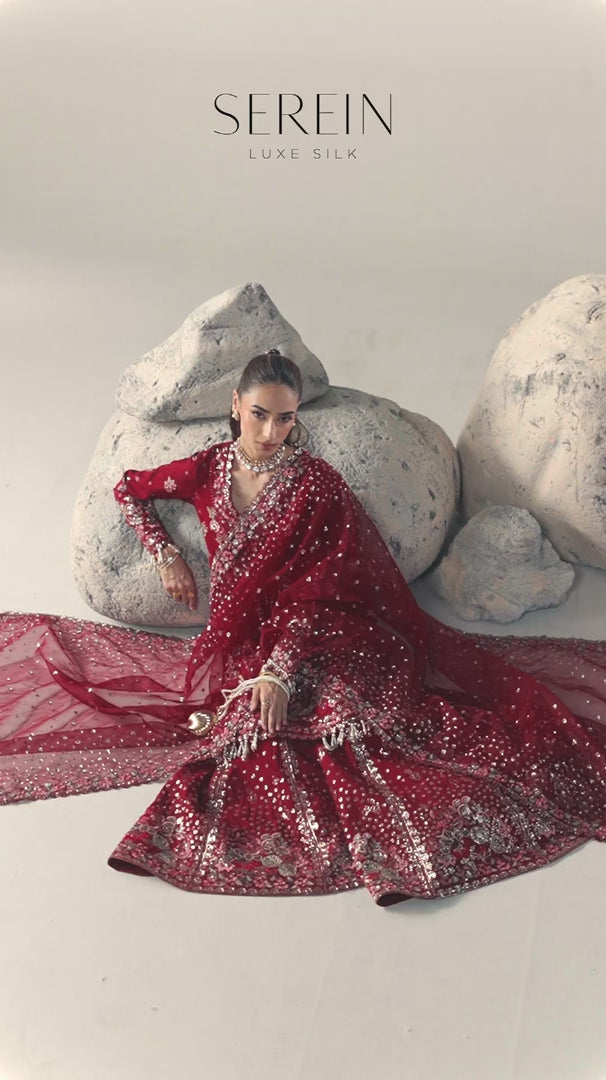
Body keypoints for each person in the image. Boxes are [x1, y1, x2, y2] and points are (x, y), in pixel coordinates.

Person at [1, 349, 605, 905]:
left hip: (323, 636)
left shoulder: (315, 486)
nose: (270, 433)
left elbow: (319, 593)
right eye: (259, 415)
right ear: (235, 406)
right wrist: (165, 556)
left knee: (354, 727)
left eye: (285, 419)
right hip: (240, 646)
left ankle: (403, 847)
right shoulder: (208, 469)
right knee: (252, 732)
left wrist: (280, 672)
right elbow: (129, 488)